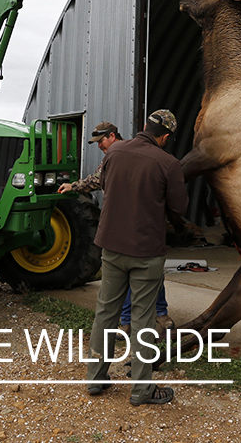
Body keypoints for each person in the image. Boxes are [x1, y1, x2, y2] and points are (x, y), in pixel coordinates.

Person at [85, 109, 187, 406]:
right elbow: (179, 207)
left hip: (111, 248)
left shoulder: (114, 153)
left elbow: (104, 185)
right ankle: (141, 390)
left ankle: (95, 378)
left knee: (106, 312)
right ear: (165, 137)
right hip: (145, 252)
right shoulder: (169, 163)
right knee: (143, 320)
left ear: (144, 127)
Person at [59, 122, 173, 331]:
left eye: (101, 141)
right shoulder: (114, 155)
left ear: (112, 136)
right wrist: (74, 185)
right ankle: (137, 319)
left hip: (139, 221)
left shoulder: (129, 152)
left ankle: (151, 315)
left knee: (144, 271)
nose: (100, 146)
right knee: (141, 271)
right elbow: (96, 180)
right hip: (126, 221)